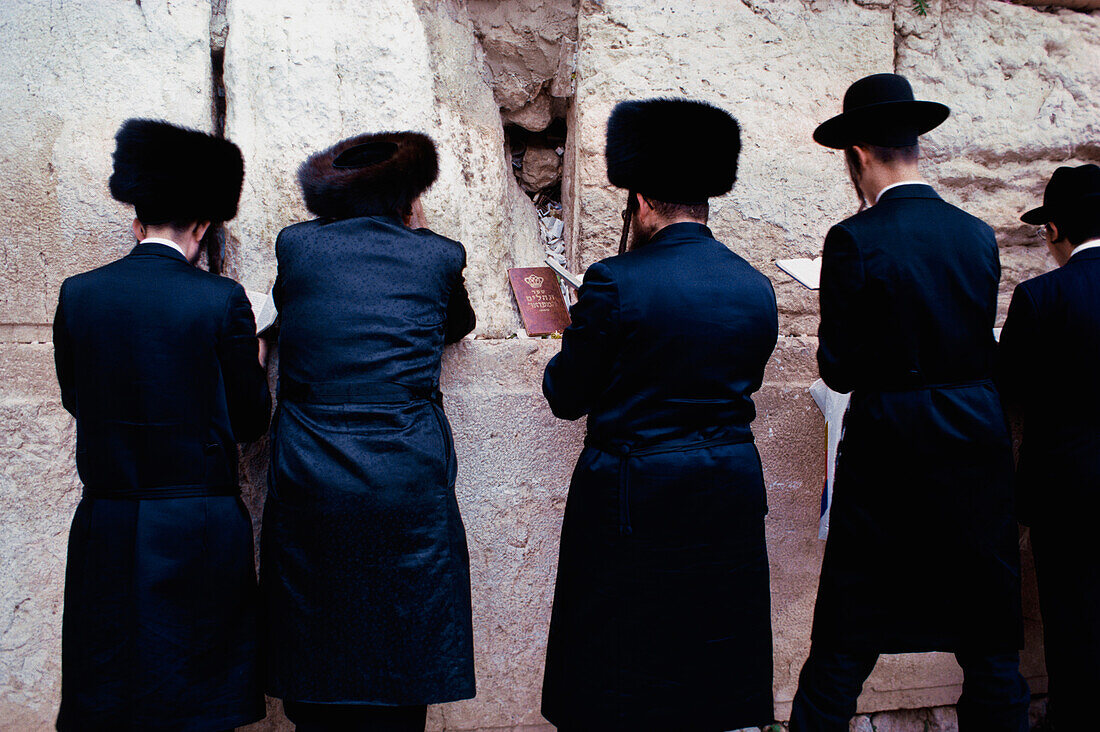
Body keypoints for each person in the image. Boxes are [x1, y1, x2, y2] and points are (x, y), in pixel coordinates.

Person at [790, 73, 1029, 731]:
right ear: (915, 145)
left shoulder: (853, 240)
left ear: (858, 154)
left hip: (891, 447)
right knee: (988, 644)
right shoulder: (978, 236)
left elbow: (837, 368)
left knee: (844, 639)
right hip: (974, 441)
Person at [540, 98, 779, 731]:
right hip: (726, 485)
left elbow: (568, 395)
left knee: (619, 661)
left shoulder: (613, 281)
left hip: (633, 492)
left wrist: (570, 338)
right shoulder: (755, 285)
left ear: (640, 202)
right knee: (708, 648)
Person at [53, 118, 271, 731]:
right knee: (196, 697)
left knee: (110, 689)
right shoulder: (220, 300)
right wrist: (253, 362)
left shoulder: (79, 294)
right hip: (198, 525)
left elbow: (78, 398)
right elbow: (251, 421)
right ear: (202, 226)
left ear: (136, 222)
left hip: (109, 519)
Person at [260, 131, 477, 732]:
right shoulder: (438, 253)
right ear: (409, 196)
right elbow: (456, 323)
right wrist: (419, 234)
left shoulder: (296, 246)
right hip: (404, 465)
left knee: (314, 618)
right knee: (405, 622)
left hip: (312, 465)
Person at [997, 163, 1100, 729]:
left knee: (1073, 618)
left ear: (1054, 230)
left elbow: (1009, 386)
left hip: (1070, 489)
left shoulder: (1042, 296)